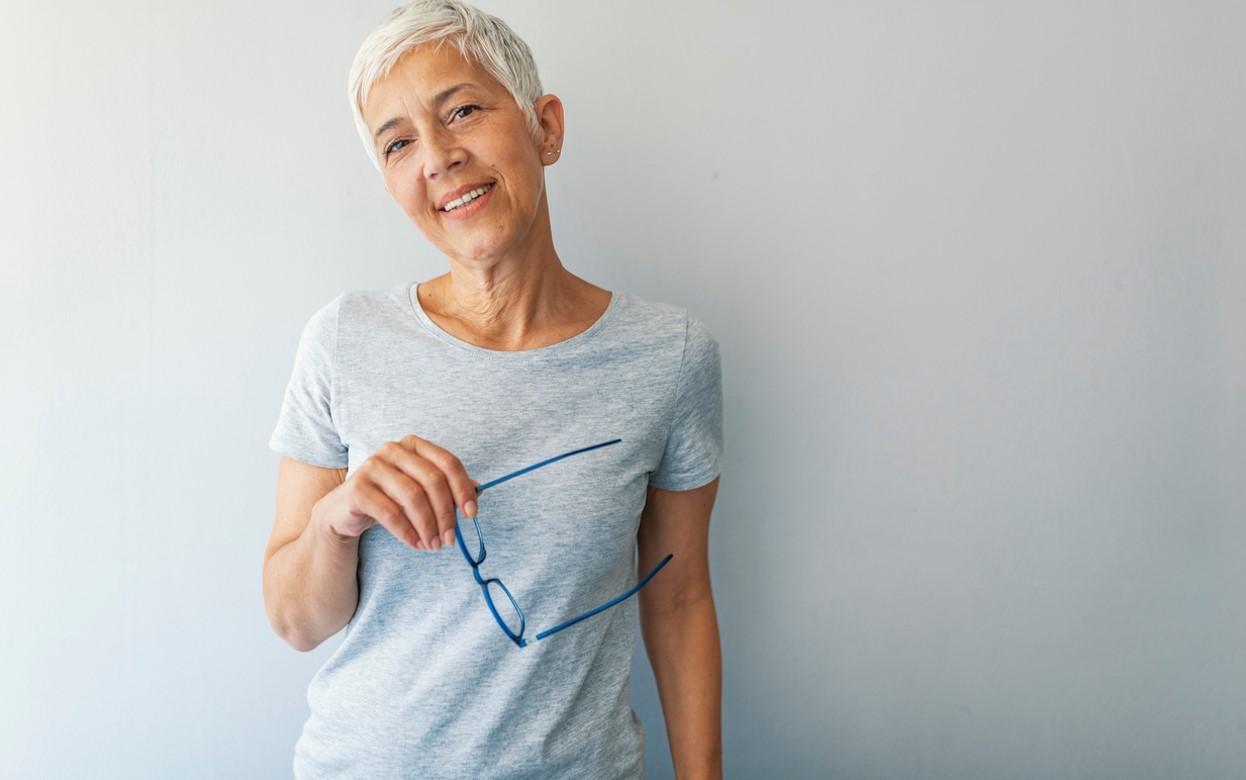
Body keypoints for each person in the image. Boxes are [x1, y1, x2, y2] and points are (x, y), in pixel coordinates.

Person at [262, 1, 723, 777]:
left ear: (546, 127)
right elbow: (296, 622)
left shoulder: (670, 358)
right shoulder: (344, 339)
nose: (437, 157)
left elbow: (679, 603)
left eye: (463, 110)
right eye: (399, 142)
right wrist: (337, 519)